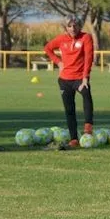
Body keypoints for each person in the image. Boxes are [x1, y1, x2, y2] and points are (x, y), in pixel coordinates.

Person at [44, 16, 95, 148]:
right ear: (66, 27)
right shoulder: (61, 39)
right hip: (65, 80)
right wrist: (58, 62)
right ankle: (74, 139)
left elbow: (89, 58)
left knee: (86, 93)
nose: (73, 28)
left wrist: (85, 78)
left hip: (79, 78)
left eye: (75, 25)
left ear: (80, 26)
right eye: (70, 26)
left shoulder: (86, 38)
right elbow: (47, 48)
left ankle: (88, 127)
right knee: (69, 109)